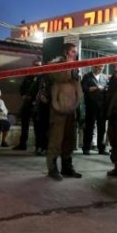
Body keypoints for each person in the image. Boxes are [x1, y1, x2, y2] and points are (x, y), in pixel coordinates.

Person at [46, 43, 83, 180]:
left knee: (69, 140)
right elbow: (56, 77)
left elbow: (78, 87)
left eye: (76, 51)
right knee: (56, 140)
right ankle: (52, 168)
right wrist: (68, 70)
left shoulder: (75, 67)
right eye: (73, 51)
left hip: (71, 110)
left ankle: (67, 167)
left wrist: (77, 104)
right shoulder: (56, 65)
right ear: (66, 52)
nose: (75, 53)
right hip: (58, 110)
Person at [13, 59, 42, 151]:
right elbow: (22, 88)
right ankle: (22, 144)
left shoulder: (41, 78)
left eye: (38, 66)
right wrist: (24, 95)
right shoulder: (28, 76)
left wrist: (34, 99)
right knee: (24, 124)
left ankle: (38, 145)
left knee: (37, 126)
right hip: (27, 103)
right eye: (35, 65)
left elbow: (41, 91)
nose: (36, 67)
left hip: (36, 105)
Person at [81, 65, 108, 155]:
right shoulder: (87, 76)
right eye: (97, 67)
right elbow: (83, 88)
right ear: (93, 67)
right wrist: (90, 88)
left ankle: (101, 148)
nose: (99, 69)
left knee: (102, 127)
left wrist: (104, 88)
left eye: (101, 68)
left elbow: (108, 87)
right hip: (91, 105)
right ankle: (86, 148)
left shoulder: (104, 77)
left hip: (102, 106)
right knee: (89, 126)